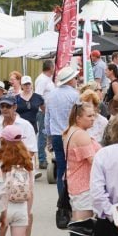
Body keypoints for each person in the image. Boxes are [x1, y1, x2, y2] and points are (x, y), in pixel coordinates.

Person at [0, 95, 37, 236]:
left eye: (8, 106)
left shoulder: (25, 125)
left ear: (15, 107)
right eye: (2, 106)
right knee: (3, 207)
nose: (4, 109)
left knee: (26, 206)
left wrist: (15, 159)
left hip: (22, 172)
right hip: (2, 172)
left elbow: (31, 150)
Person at [64, 102, 100, 236]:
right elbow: (94, 162)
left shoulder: (71, 131)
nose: (93, 119)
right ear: (79, 118)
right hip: (84, 185)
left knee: (79, 226)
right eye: (89, 116)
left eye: (94, 115)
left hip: (76, 183)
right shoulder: (81, 135)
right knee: (83, 226)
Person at [45, 66, 81, 195]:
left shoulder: (51, 95)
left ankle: (62, 198)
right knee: (74, 167)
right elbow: (79, 116)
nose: (76, 80)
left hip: (56, 135)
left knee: (61, 167)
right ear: (70, 80)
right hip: (71, 134)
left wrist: (48, 139)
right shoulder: (75, 95)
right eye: (75, 78)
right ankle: (73, 194)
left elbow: (47, 119)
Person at [35, 60, 56, 169]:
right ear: (51, 67)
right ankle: (42, 159)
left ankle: (46, 157)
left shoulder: (48, 79)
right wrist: (43, 110)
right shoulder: (42, 80)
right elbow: (38, 96)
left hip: (49, 111)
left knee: (48, 134)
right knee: (43, 135)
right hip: (44, 112)